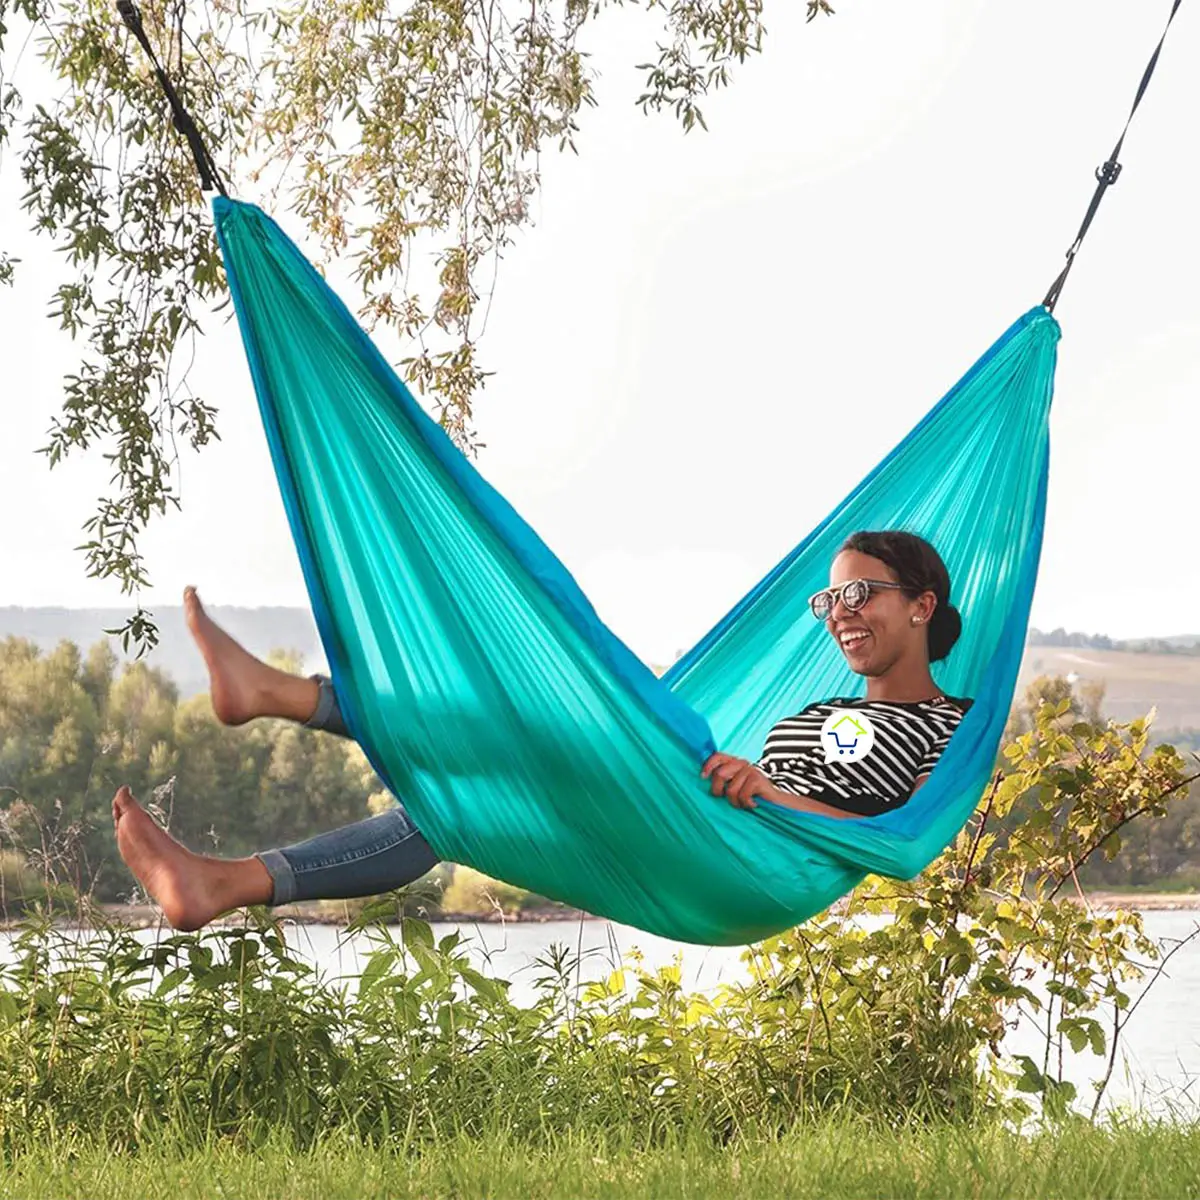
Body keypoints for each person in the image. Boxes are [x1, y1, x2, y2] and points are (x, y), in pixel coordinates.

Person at [111, 529, 970, 931]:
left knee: (541, 727)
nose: (839, 615)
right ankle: (225, 883)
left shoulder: (954, 724)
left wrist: (776, 797)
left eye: (860, 595)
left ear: (922, 605)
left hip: (756, 860)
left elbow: (899, 839)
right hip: (704, 821)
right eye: (828, 600)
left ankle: (292, 698)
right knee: (465, 809)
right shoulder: (823, 710)